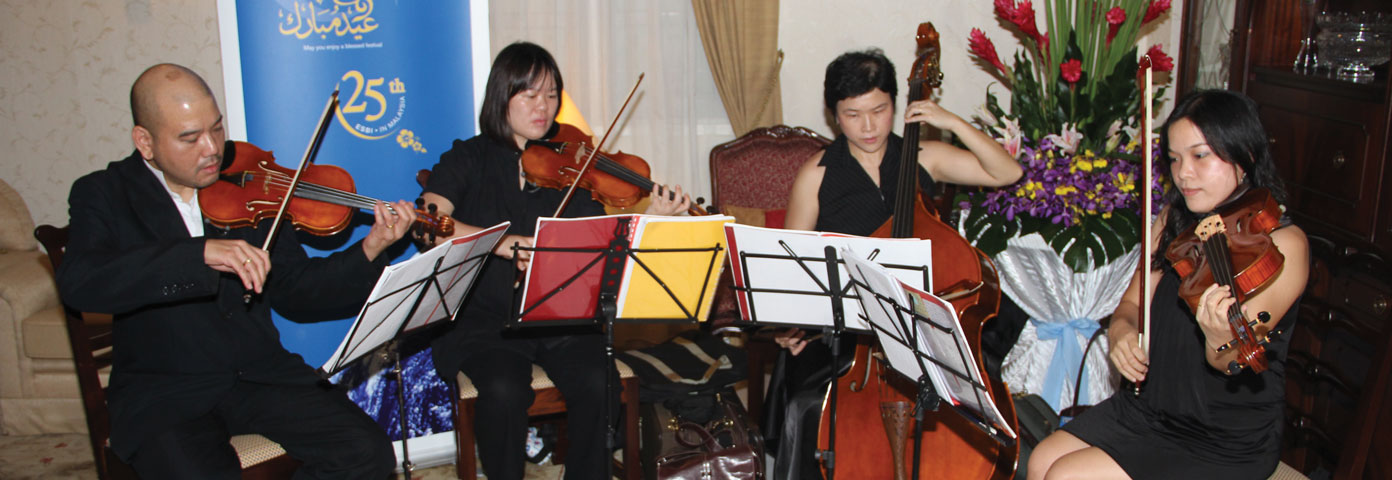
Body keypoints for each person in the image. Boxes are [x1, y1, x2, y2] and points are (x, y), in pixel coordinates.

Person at [56, 63, 413, 478]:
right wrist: (198, 254)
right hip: (166, 391)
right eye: (189, 138)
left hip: (259, 374)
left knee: (366, 451)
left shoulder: (248, 185)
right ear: (145, 142)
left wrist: (371, 248)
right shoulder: (103, 193)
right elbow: (81, 281)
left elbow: (299, 292)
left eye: (217, 128)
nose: (211, 148)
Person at [419, 41, 690, 480]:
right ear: (500, 97)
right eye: (529, 94)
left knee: (597, 383)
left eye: (551, 94)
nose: (543, 107)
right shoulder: (467, 157)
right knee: (504, 390)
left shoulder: (574, 166)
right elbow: (428, 225)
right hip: (483, 319)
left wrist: (652, 217)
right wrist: (504, 244)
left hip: (556, 316)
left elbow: (600, 244)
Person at [766, 48, 1023, 479]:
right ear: (833, 115)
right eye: (852, 114)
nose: (868, 127)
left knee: (964, 396)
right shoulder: (817, 175)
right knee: (809, 405)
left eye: (879, 110)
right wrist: (790, 324)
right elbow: (793, 268)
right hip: (848, 335)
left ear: (897, 106)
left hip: (923, 330)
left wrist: (952, 122)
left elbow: (1006, 172)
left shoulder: (923, 157)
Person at [1027, 89, 1309, 480]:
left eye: (1200, 155)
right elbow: (1130, 306)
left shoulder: (1283, 244)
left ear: (1245, 156)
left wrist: (1217, 337)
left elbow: (1234, 358)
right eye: (1175, 159)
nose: (1183, 173)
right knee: (1040, 460)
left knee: (1066, 476)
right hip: (1153, 407)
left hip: (1222, 434)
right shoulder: (1175, 218)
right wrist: (1121, 334)